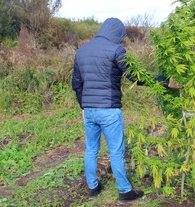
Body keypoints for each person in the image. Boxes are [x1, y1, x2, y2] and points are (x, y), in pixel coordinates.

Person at [71, 17, 180, 203]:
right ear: (116, 33)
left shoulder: (81, 52)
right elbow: (135, 76)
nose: (121, 41)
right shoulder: (116, 50)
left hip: (89, 110)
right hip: (109, 110)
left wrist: (84, 105)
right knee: (116, 151)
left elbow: (76, 84)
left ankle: (92, 187)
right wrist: (163, 81)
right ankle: (124, 191)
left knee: (91, 149)